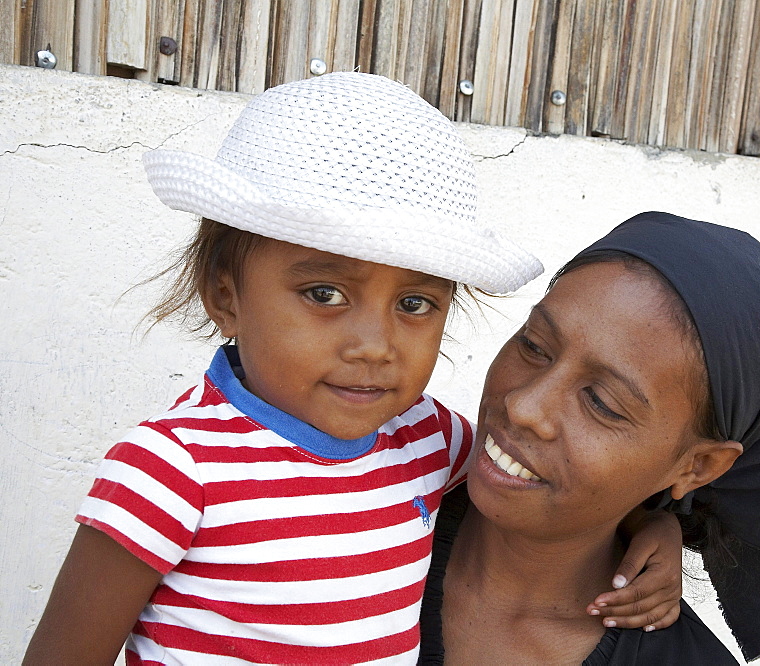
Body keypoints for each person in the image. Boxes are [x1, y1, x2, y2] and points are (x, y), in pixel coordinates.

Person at [22, 75, 682, 664]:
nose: (374, 345)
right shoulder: (172, 472)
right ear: (225, 295)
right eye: (325, 294)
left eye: (416, 303)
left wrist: (653, 526)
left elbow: (531, 472)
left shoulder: (426, 441)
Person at [418, 211, 760, 664]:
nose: (524, 406)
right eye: (534, 346)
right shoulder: (372, 493)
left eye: (600, 402)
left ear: (697, 467)